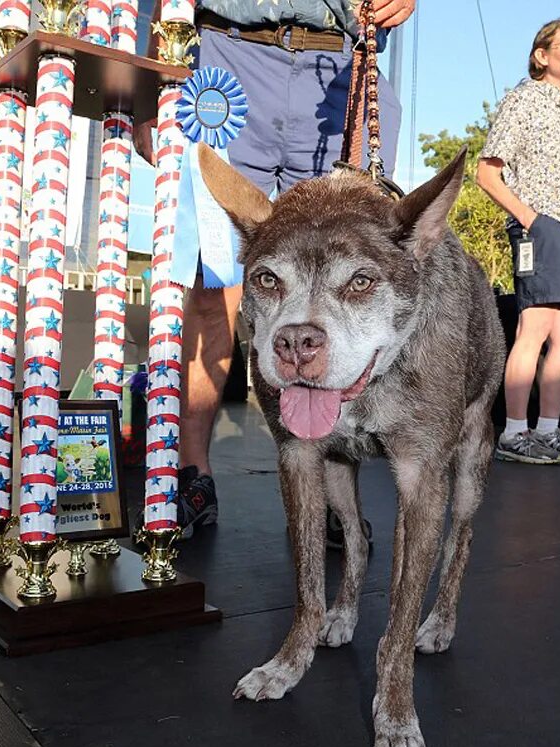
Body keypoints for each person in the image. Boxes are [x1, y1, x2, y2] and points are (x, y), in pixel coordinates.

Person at [136, 0, 415, 540]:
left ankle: (333, 492)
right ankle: (190, 473)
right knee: (212, 284)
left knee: (338, 289)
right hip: (224, 66)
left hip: (339, 66)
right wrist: (155, 75)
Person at [477, 17, 560, 465]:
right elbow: (486, 173)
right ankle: (513, 433)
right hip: (543, 228)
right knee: (537, 326)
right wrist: (533, 221)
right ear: (541, 55)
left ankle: (548, 430)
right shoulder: (524, 100)